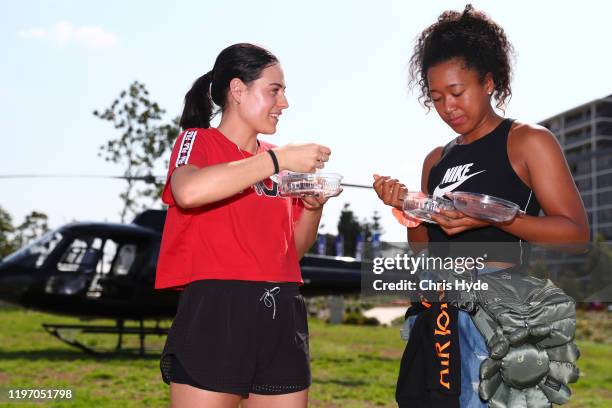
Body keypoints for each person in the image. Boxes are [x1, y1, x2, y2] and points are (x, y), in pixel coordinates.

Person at [373, 5, 589, 407]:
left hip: (500, 321)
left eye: (457, 93)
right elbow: (426, 253)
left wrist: (497, 217)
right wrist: (408, 210)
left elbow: (575, 234)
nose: (447, 107)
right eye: (436, 98)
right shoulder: (436, 159)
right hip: (438, 315)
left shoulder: (527, 141)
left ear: (489, 81)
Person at [155, 43, 340, 408]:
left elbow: (293, 251)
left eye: (283, 91)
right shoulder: (199, 141)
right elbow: (189, 191)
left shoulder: (277, 165)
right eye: (274, 90)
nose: (284, 103)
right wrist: (278, 158)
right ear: (238, 90)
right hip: (217, 308)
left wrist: (313, 209)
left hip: (282, 310)